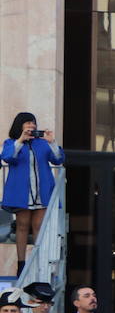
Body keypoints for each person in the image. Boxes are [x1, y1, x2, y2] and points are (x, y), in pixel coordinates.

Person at [1, 112, 65, 264]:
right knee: (22, 226)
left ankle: (39, 262)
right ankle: (22, 263)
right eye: (28, 123)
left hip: (41, 192)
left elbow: (58, 159)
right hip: (22, 193)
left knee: (39, 227)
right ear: (20, 125)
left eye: (33, 123)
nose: (32, 126)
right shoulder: (11, 142)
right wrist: (20, 140)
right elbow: (7, 157)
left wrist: (52, 142)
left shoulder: (42, 143)